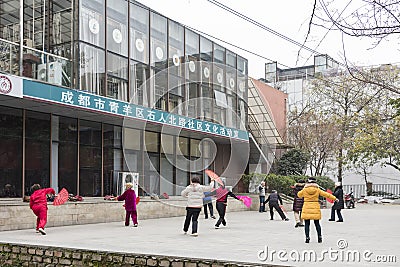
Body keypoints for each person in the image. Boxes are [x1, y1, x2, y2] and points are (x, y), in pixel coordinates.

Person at [297, 177, 337, 243]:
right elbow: (326, 194)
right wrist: (335, 198)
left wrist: (304, 188)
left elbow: (299, 195)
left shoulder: (305, 190)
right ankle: (319, 237)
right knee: (317, 223)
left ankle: (307, 238)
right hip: (315, 207)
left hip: (306, 207)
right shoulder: (317, 190)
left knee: (307, 224)